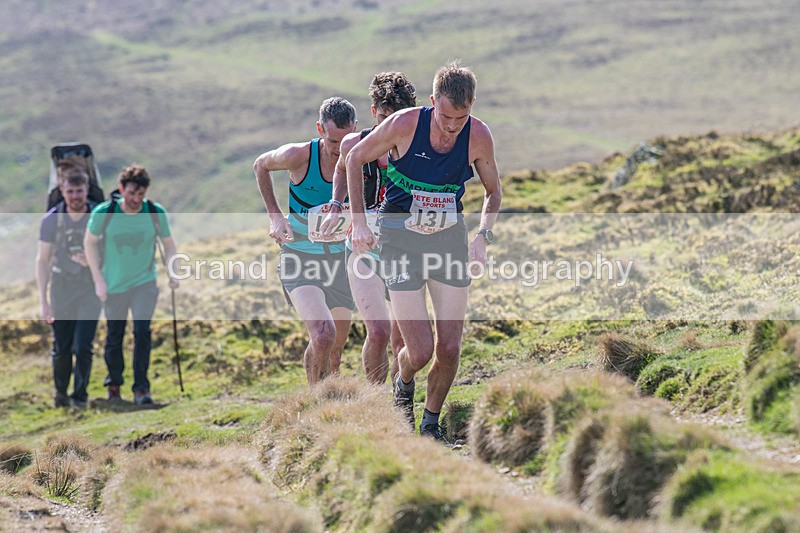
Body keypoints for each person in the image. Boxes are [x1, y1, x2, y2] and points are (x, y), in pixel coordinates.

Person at [346, 61, 502, 441]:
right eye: (446, 116)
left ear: (472, 106)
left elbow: (494, 192)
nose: (452, 125)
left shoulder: (479, 136)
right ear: (433, 102)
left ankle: (430, 425)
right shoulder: (405, 124)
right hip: (399, 240)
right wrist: (360, 221)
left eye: (461, 117)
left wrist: (483, 235)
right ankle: (403, 382)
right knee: (419, 351)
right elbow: (353, 158)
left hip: (448, 240)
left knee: (449, 346)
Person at [253, 97, 357, 385]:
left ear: (356, 129)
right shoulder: (298, 155)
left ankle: (333, 408)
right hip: (300, 256)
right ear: (319, 129)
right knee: (323, 336)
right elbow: (260, 165)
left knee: (335, 351)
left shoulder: (360, 156)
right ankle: (314, 403)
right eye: (333, 140)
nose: (339, 149)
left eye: (346, 140)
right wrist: (275, 216)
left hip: (340, 260)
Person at [320, 72, 416, 384]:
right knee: (378, 331)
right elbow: (340, 169)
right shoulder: (354, 143)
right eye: (385, 117)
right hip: (363, 247)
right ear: (374, 112)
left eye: (398, 118)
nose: (390, 125)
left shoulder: (418, 147)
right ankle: (375, 405)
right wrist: (336, 203)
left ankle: (401, 401)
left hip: (405, 249)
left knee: (403, 341)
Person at [84, 165, 179, 405]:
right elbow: (90, 244)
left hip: (144, 282)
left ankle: (141, 389)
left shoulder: (154, 212)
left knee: (142, 332)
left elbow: (169, 244)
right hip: (113, 283)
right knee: (115, 335)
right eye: (132, 193)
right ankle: (114, 385)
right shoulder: (104, 213)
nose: (136, 199)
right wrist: (98, 280)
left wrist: (173, 271)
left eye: (141, 194)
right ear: (121, 189)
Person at [36, 167, 102, 408]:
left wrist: (93, 263)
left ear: (87, 190)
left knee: (83, 346)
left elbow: (110, 251)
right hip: (61, 287)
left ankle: (80, 396)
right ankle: (61, 394)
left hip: (90, 287)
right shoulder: (52, 220)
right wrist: (43, 301)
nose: (75, 196)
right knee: (62, 347)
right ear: (62, 191)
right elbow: (42, 260)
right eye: (70, 191)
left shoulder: (98, 215)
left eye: (80, 191)